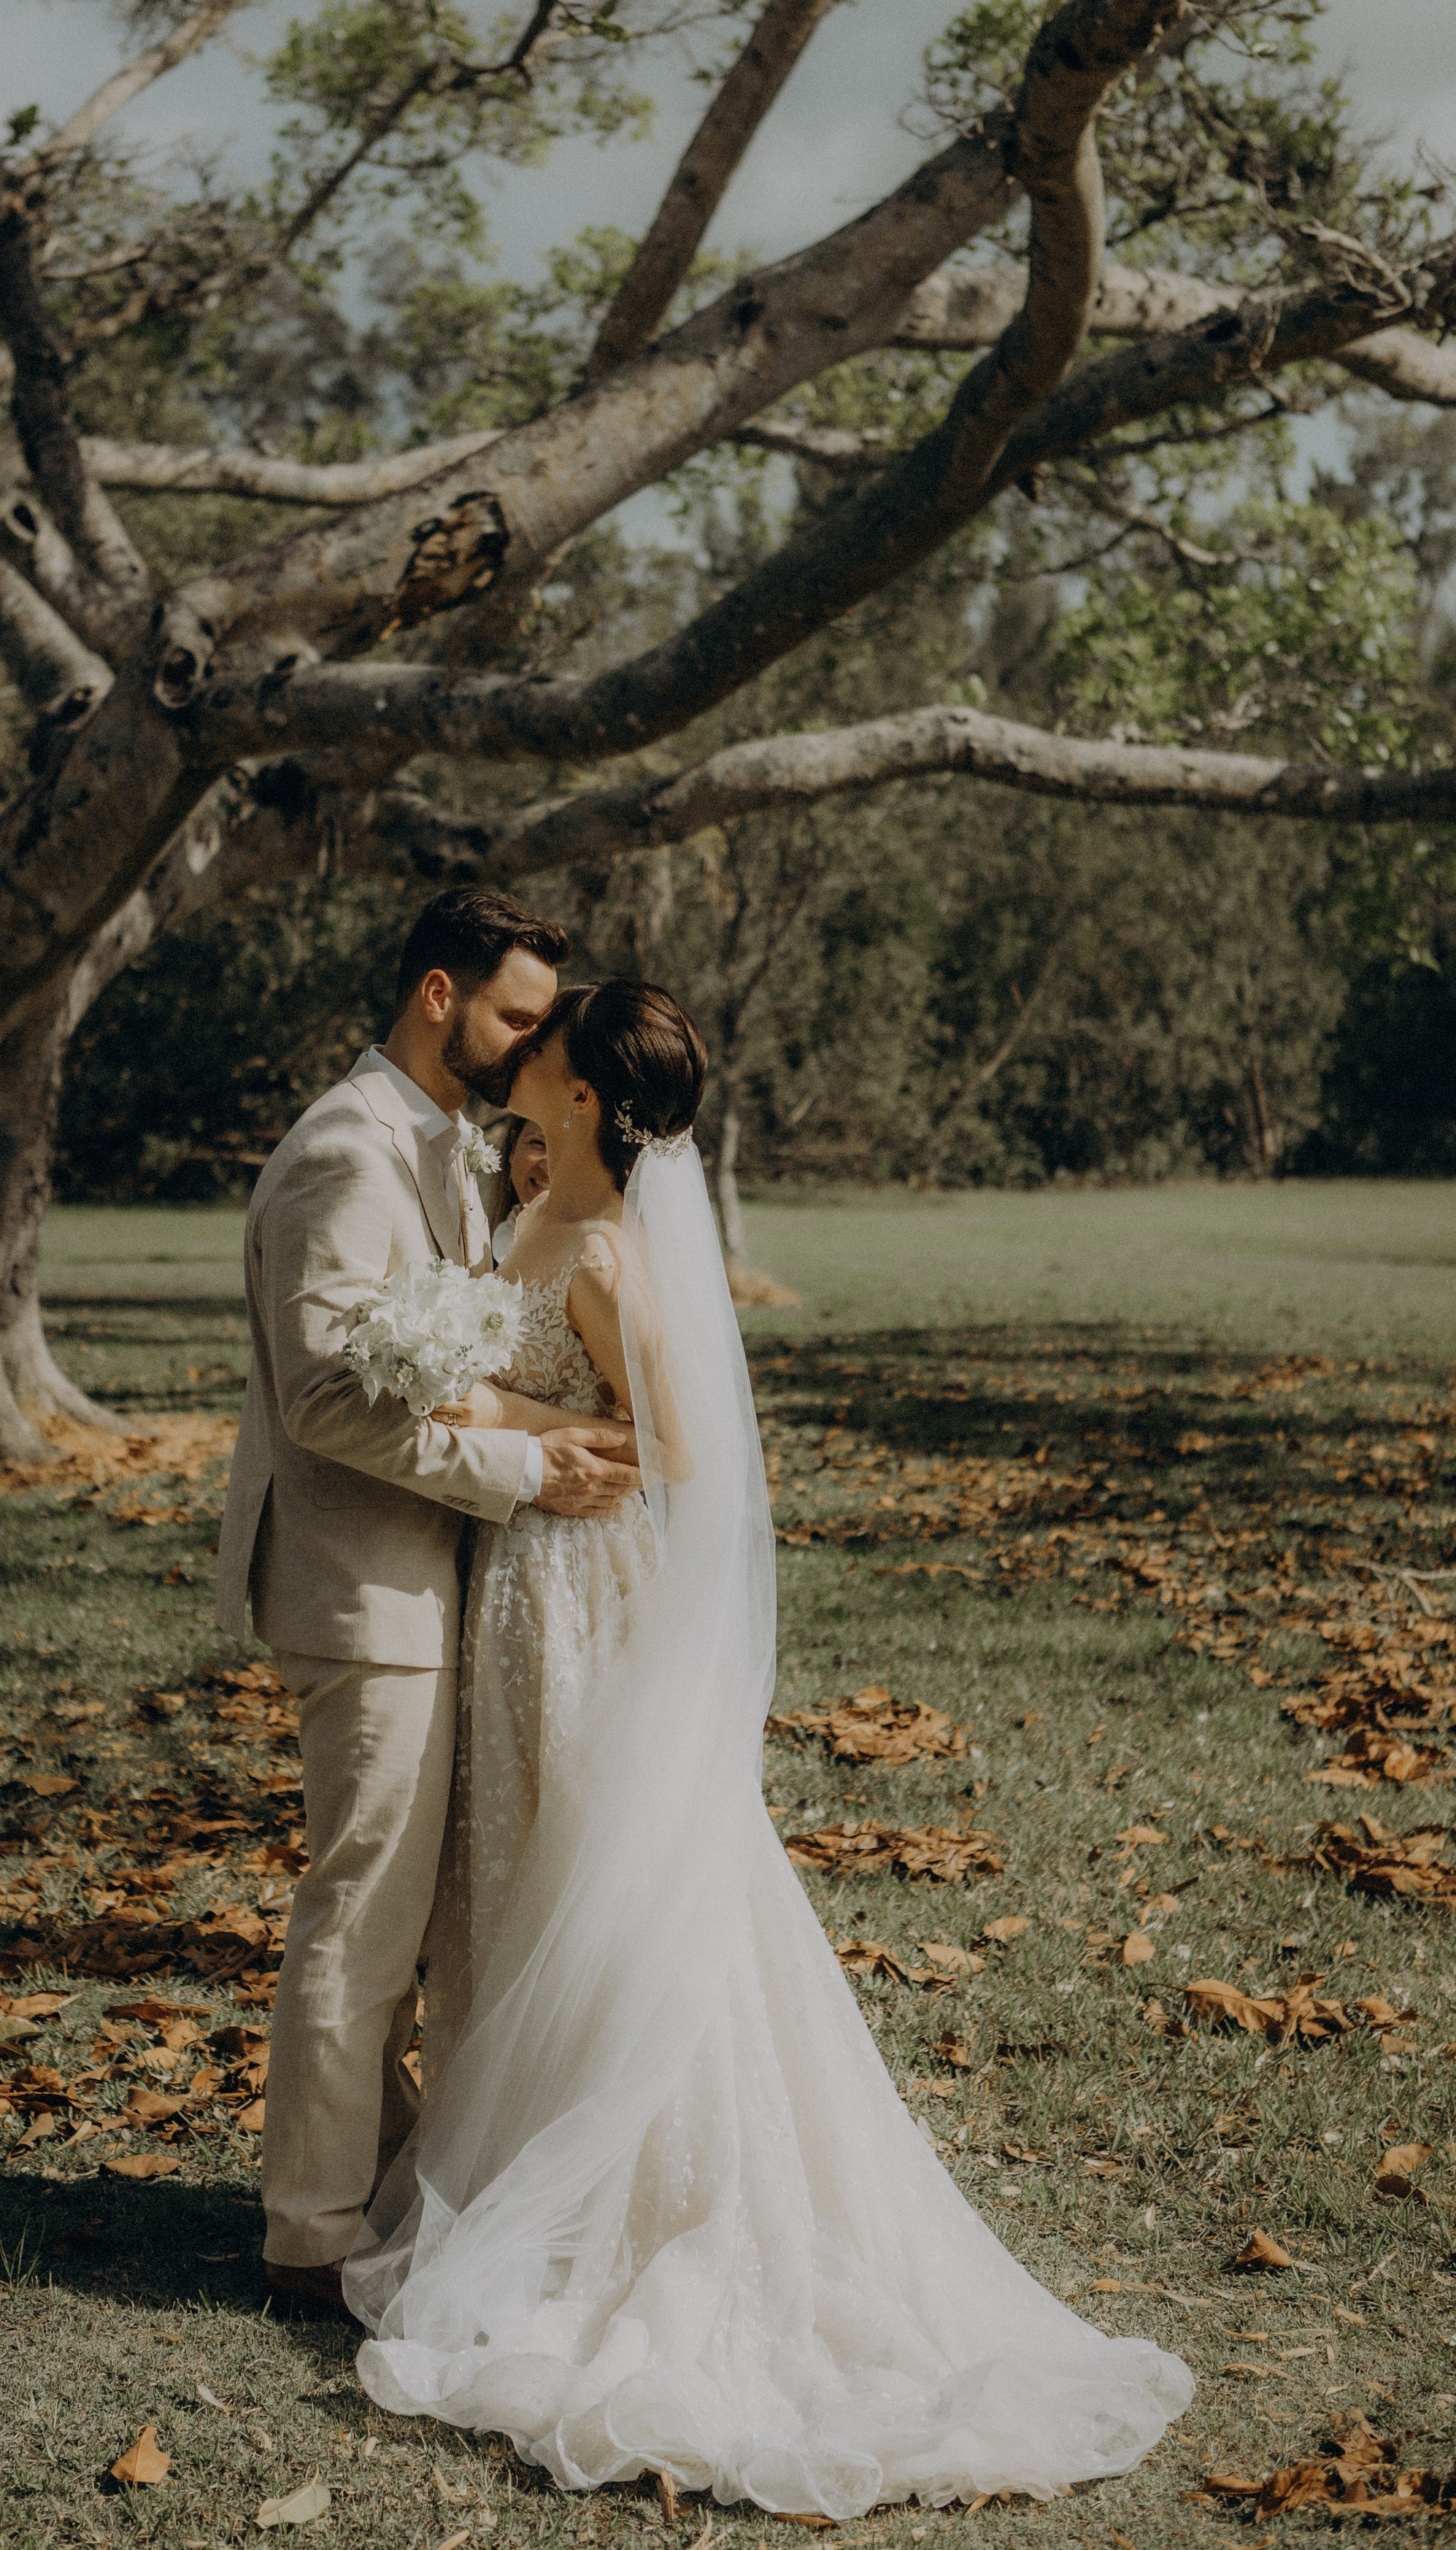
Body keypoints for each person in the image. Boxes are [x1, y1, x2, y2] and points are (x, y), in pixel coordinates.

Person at [344, 979, 1195, 2521]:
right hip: (513, 1593)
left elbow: (683, 1452)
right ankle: (525, 2166)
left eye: (541, 1051)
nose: (517, 1064)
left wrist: (553, 1452)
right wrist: (478, 1400)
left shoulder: (602, 1254)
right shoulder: (530, 1206)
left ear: (586, 1094)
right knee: (525, 1874)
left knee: (609, 1880)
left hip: (580, 1593)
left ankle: (637, 2211)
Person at [217, 887, 641, 2312]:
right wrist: (521, 1465)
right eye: (521, 1017)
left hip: (436, 1586)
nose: (536, 1046)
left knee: (411, 1918)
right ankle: (309, 2235)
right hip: (360, 1590)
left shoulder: (444, 1149)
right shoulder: (346, 1152)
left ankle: (386, 2187)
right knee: (363, 1915)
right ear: (439, 995)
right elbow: (330, 1400)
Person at [490, 1117, 550, 1266]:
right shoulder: (479, 1243)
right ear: (513, 1148)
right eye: (538, 1143)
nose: (548, 1167)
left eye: (568, 1151)